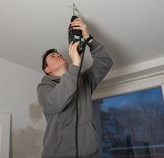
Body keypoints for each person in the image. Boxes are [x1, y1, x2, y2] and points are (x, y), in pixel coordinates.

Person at [37, 17, 113, 158]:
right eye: (53, 56)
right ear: (47, 70)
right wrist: (75, 66)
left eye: (59, 54)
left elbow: (105, 63)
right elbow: (54, 103)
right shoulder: (45, 87)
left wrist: (89, 39)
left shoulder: (83, 80)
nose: (58, 55)